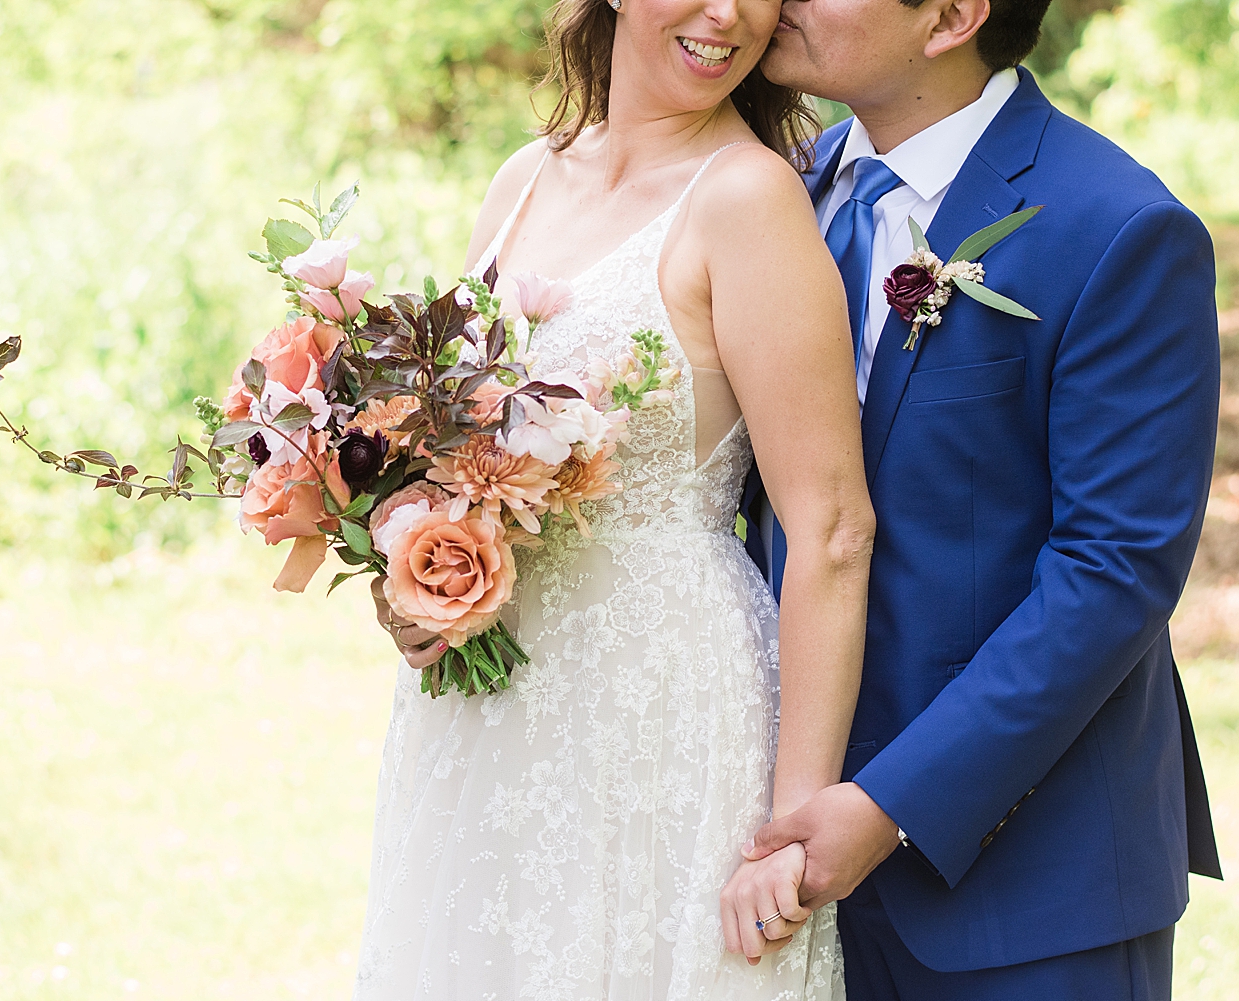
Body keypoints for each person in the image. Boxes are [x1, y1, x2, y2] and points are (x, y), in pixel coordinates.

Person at [352, 0, 872, 996]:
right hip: (487, 709)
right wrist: (414, 577)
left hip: (664, 704)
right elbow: (454, 447)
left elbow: (833, 528)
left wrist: (793, 821)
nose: (728, 14)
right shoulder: (523, 178)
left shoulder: (747, 199)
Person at [732, 0, 1224, 998]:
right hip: (776, 863)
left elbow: (1112, 572)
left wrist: (887, 805)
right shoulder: (774, 191)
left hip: (1033, 887)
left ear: (951, 17)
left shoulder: (1116, 225)